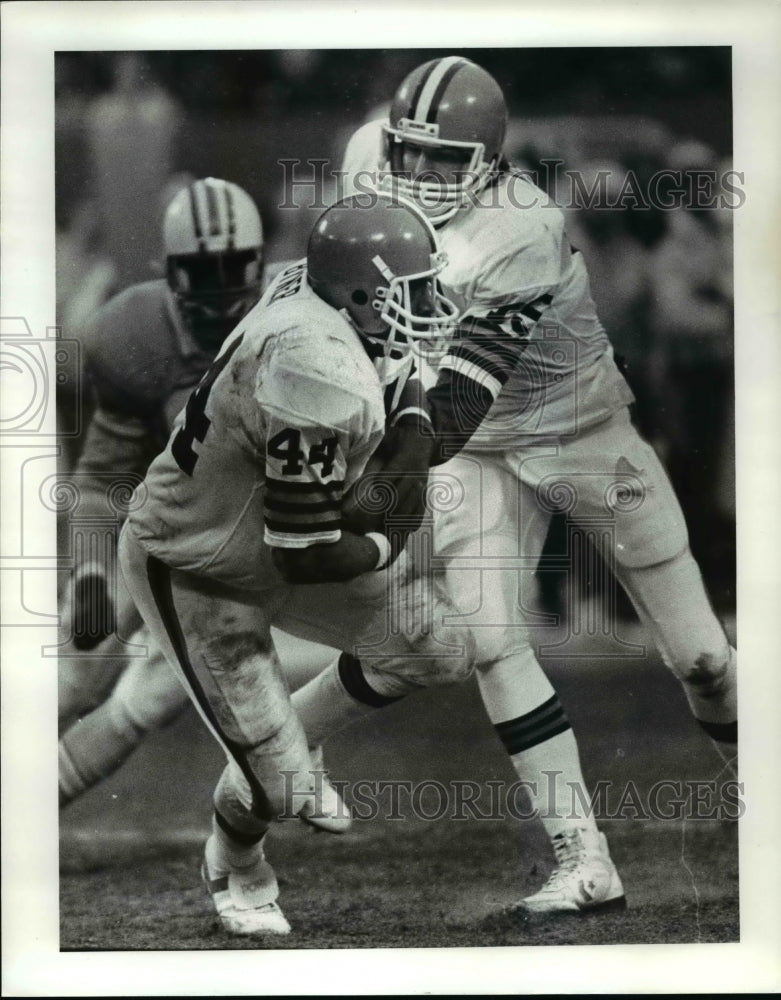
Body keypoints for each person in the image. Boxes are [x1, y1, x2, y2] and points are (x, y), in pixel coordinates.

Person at [290, 55, 737, 919]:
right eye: (405, 153)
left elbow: (451, 406)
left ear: (491, 161)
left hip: (577, 431)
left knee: (705, 662)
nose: (415, 177)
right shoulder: (362, 161)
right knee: (491, 640)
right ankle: (583, 857)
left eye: (442, 160)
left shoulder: (519, 229)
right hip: (477, 453)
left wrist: (362, 491)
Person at [117, 195, 474, 936]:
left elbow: (402, 379)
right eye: (410, 291)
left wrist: (408, 431)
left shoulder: (313, 289)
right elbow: (309, 551)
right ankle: (236, 861)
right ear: (356, 294)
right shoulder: (313, 367)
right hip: (195, 569)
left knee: (434, 646)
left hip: (262, 541)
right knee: (273, 790)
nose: (427, 305)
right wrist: (388, 535)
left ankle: (289, 741)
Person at [58, 177, 267, 806]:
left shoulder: (301, 313)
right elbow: (100, 478)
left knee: (150, 699)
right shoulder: (133, 333)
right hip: (163, 528)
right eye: (203, 273)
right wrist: (91, 575)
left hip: (254, 545)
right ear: (167, 271)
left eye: (234, 268)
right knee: (77, 674)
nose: (223, 292)